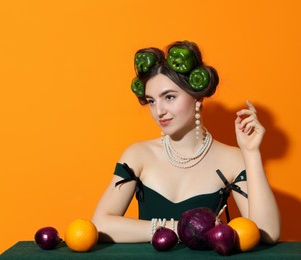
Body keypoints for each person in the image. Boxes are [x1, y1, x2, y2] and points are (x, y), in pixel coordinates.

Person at [92, 40, 280, 244]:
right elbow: (100, 225)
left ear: (197, 98)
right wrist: (177, 228)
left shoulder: (232, 159)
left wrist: (251, 153)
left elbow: (268, 233)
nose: (159, 111)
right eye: (152, 101)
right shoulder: (138, 155)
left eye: (169, 97)